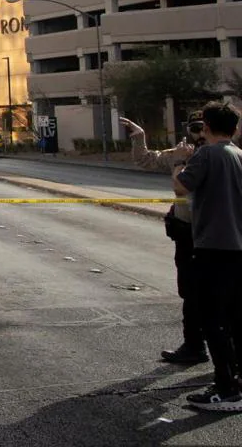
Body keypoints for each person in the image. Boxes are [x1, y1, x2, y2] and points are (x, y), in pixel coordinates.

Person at [173, 101, 242, 412]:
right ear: (235, 128)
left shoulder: (207, 153)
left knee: (212, 320)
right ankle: (235, 381)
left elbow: (180, 188)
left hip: (213, 248)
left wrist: (180, 161)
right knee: (235, 319)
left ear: (208, 127)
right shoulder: (239, 155)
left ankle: (225, 389)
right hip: (237, 248)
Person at [120, 114, 203, 364]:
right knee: (190, 293)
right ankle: (194, 346)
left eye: (202, 128)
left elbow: (182, 187)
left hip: (213, 232)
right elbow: (146, 160)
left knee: (217, 295)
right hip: (186, 231)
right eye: (194, 129)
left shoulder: (214, 155)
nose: (198, 134)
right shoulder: (180, 153)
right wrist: (139, 137)